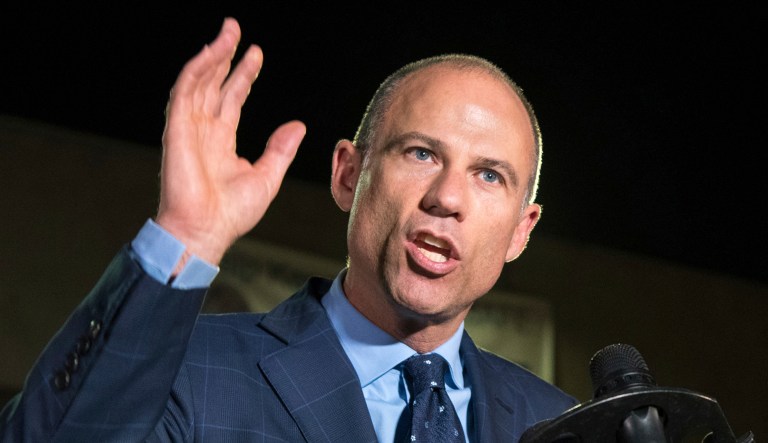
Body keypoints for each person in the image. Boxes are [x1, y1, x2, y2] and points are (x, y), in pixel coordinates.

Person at [0, 18, 575, 442]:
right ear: (349, 175)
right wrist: (184, 236)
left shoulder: (568, 427)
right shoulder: (188, 370)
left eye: (489, 176)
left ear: (521, 231)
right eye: (421, 153)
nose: (447, 197)